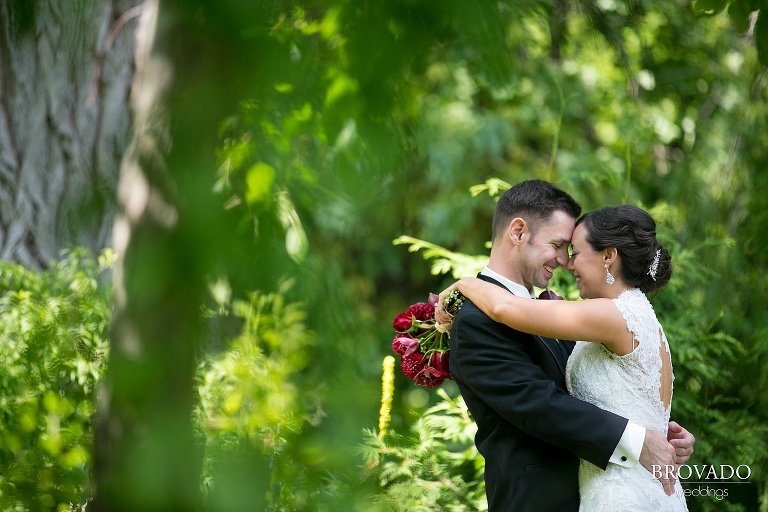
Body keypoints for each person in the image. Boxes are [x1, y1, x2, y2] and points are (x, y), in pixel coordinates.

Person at [433, 181, 693, 512]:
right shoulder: (475, 321)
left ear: (608, 257)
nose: (564, 262)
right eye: (558, 245)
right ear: (518, 232)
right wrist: (639, 438)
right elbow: (538, 403)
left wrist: (653, 431)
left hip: (614, 491)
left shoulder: (569, 312)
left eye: (572, 250)